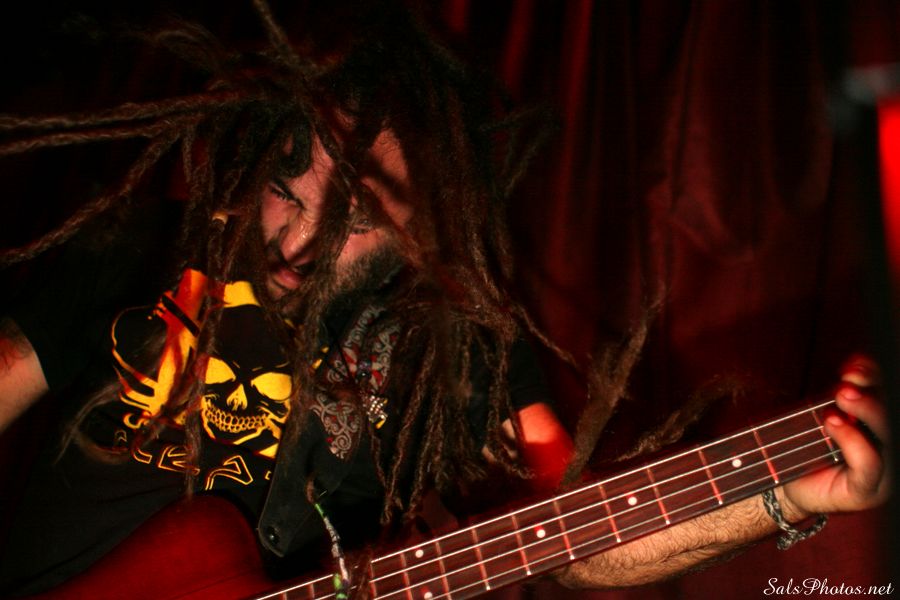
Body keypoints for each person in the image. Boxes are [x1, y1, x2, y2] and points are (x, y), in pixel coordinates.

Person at [0, 1, 889, 597]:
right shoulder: (140, 247)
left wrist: (786, 496)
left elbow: (579, 537)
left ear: (419, 225)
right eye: (283, 189)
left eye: (353, 219)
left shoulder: (451, 342)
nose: (297, 243)